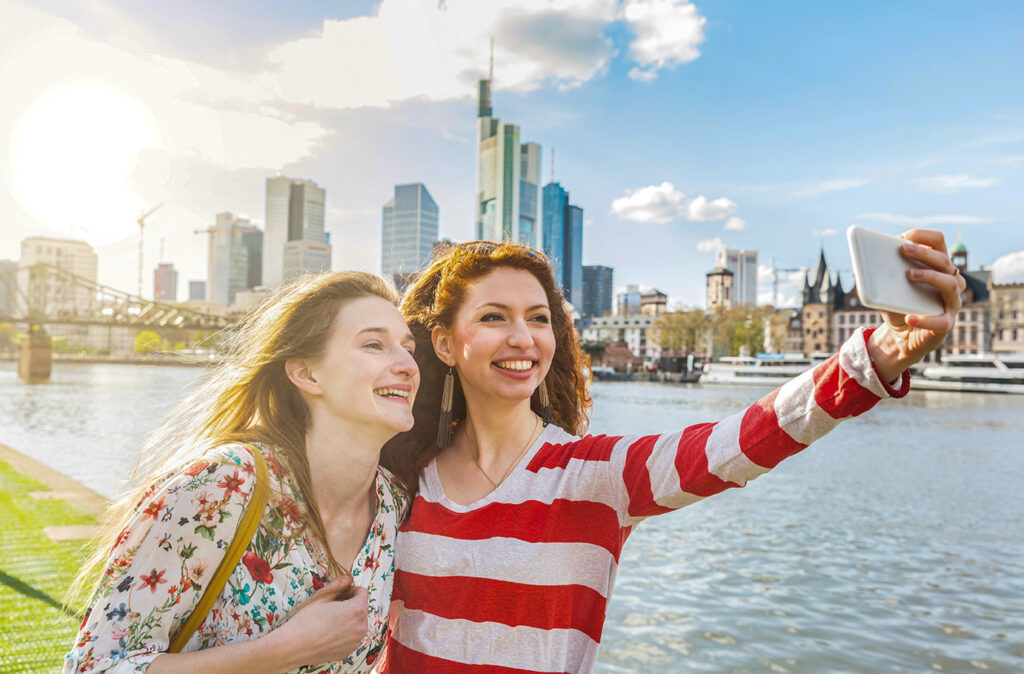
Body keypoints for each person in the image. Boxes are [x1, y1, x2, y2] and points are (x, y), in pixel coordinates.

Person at [378, 230, 964, 673]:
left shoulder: (598, 475)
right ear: (444, 344)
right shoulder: (400, 476)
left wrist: (882, 352)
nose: (523, 337)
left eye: (538, 318)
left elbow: (739, 442)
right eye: (492, 317)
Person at [64, 271, 419, 673]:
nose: (407, 365)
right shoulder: (222, 485)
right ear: (306, 374)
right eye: (374, 345)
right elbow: (93, 668)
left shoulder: (394, 506)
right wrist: (284, 650)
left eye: (409, 349)